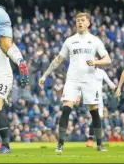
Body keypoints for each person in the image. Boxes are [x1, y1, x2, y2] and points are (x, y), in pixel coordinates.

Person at [39, 12, 111, 153]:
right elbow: (58, 59)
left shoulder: (95, 40)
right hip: (72, 79)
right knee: (66, 109)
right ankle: (60, 144)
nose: (79, 22)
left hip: (89, 80)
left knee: (94, 112)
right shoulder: (70, 40)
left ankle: (99, 144)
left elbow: (108, 60)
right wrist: (45, 75)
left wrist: (96, 62)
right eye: (77, 20)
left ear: (88, 23)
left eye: (82, 20)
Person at [75, 62, 116, 147]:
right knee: (96, 118)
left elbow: (109, 81)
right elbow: (80, 84)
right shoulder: (86, 72)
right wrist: (78, 95)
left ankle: (93, 140)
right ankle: (94, 141)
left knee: (98, 119)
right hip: (90, 96)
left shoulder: (101, 72)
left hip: (100, 98)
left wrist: (116, 88)